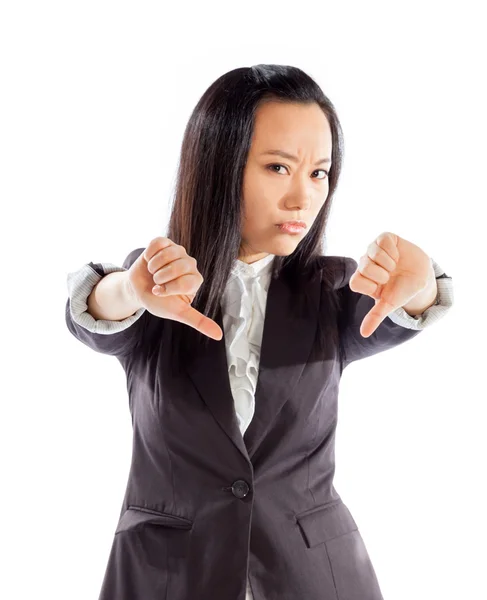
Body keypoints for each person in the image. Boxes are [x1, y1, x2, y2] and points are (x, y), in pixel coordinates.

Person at [65, 64, 454, 600]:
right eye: (278, 167)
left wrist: (420, 283)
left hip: (313, 576)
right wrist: (130, 292)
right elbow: (97, 313)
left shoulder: (331, 288)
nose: (303, 198)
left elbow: (399, 309)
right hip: (167, 576)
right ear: (218, 166)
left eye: (319, 173)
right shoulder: (160, 283)